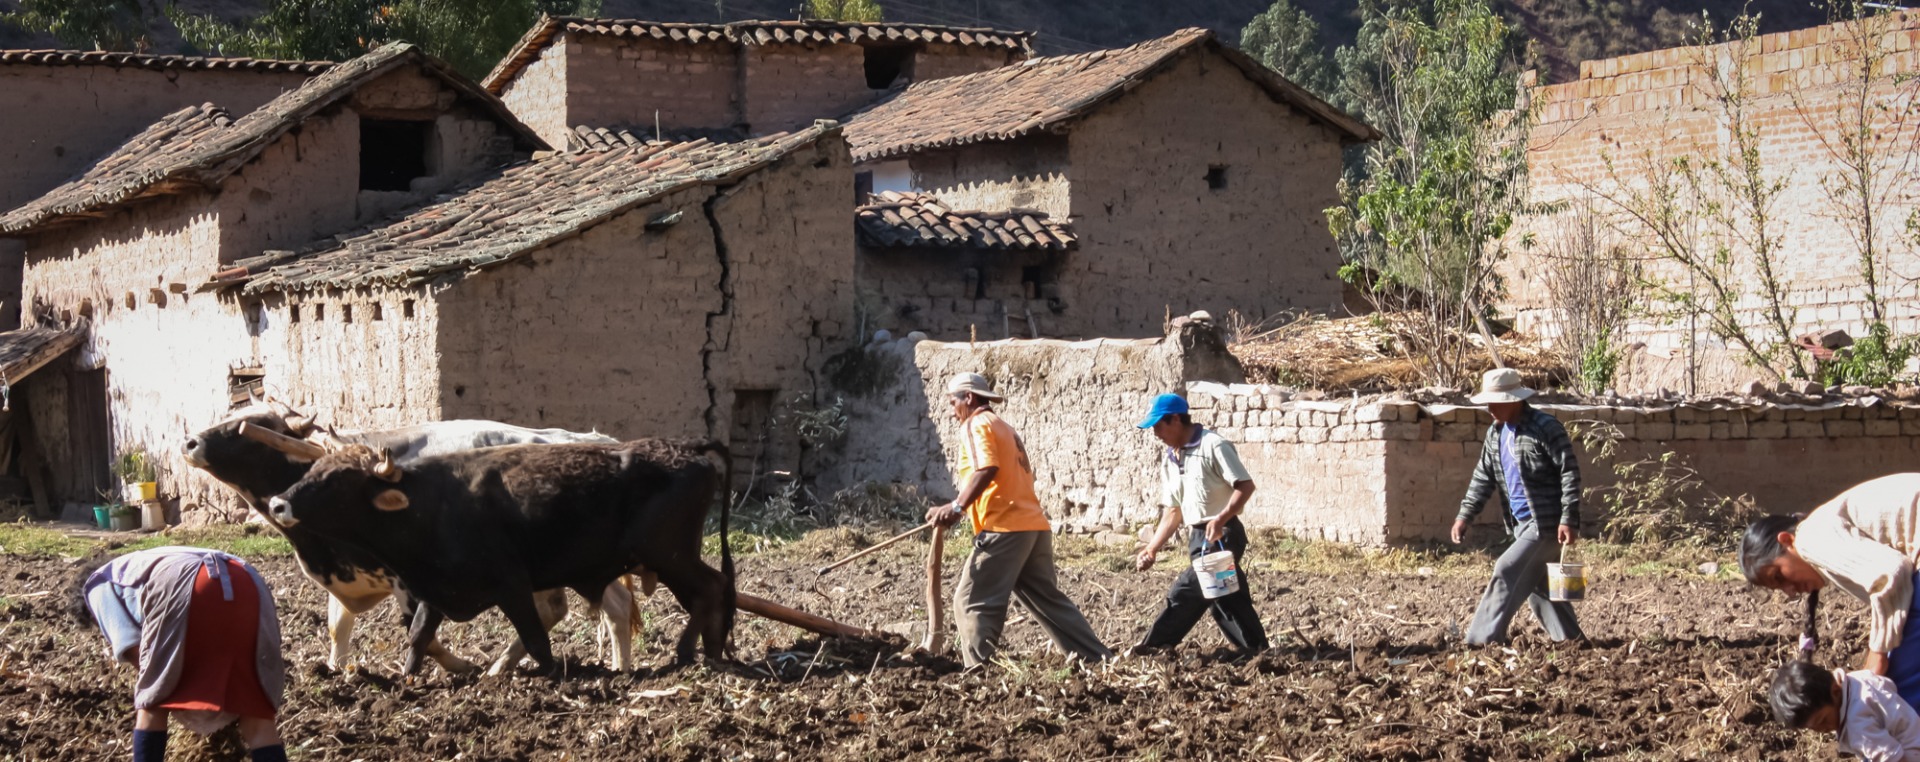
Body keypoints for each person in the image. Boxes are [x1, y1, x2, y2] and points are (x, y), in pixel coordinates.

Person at [925, 372, 1114, 668]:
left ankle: (978, 672)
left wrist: (957, 507)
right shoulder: (1004, 427)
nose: (952, 412)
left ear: (969, 399)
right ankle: (1098, 659)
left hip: (1005, 527)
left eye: (953, 402)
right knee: (1047, 601)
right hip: (1033, 526)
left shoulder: (975, 424)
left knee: (970, 601)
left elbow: (985, 468)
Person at [68, 546, 288, 762]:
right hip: (247, 583)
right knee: (257, 721)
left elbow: (141, 658)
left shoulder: (97, 587)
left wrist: (174, 694)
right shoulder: (145, 561)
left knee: (153, 703)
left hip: (184, 585)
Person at [1741, 473, 1920, 706]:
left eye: (1779, 576)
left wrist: (1877, 655)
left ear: (1786, 540)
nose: (1791, 591)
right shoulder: (1821, 529)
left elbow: (1891, 575)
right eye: (1780, 588)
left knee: (1896, 693)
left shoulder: (1810, 538)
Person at [1450, 367, 1584, 646]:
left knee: (1506, 569)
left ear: (1514, 400)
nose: (1489, 408)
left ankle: (1479, 641)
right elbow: (1483, 477)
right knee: (1542, 588)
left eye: (1494, 402)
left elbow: (1569, 472)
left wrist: (1569, 518)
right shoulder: (1495, 434)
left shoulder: (1545, 428)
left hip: (1546, 524)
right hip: (1521, 525)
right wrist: (1465, 515)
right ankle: (1573, 642)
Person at [1131, 393, 1269, 655]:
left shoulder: (1213, 446)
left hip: (1223, 533)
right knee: (1225, 596)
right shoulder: (1171, 459)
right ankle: (1255, 649)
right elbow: (1174, 511)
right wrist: (1152, 549)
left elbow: (1245, 485)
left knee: (1187, 589)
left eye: (1158, 426)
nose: (1155, 433)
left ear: (1175, 419)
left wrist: (1221, 518)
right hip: (1198, 537)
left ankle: (1154, 646)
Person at [1770, 659, 1920, 761]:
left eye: (1823, 720)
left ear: (1835, 692)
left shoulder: (1858, 728)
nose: (1821, 730)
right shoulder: (1855, 680)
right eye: (1812, 728)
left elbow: (1893, 758)